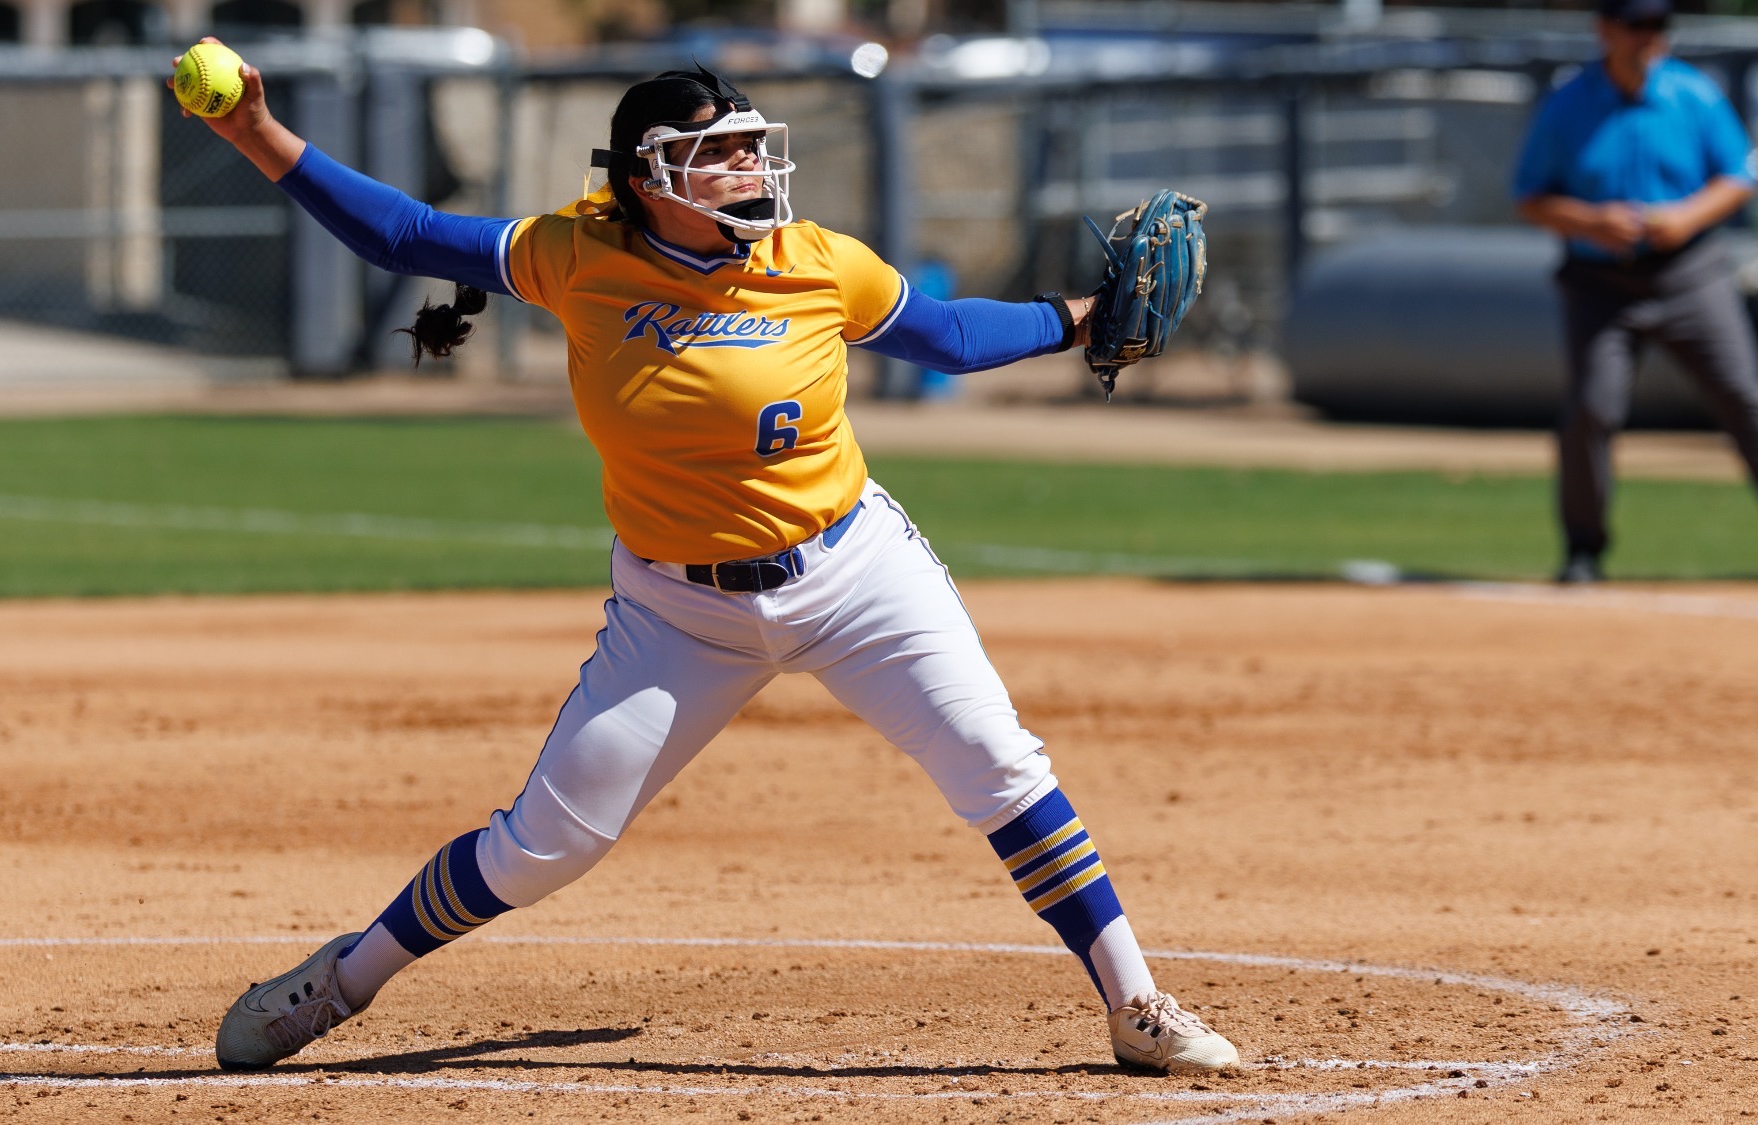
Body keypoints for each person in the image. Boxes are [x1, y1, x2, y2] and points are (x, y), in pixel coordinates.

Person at [176, 44, 1239, 1076]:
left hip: (855, 573)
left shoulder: (814, 262)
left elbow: (949, 336)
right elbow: (404, 234)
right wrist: (256, 130)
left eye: (750, 147)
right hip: (677, 612)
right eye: (718, 153)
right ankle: (340, 981)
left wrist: (1080, 319)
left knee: (1000, 766)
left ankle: (1134, 1005)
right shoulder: (575, 254)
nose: (750, 168)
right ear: (648, 175)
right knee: (545, 845)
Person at [1513, 0, 1758, 584]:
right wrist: (1590, 222)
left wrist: (1687, 216)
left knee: (1748, 399)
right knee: (1592, 411)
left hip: (1690, 273)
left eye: (1659, 26)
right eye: (1637, 26)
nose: (1650, 37)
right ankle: (1583, 551)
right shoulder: (1569, 105)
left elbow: (1741, 174)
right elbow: (1530, 196)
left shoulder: (1692, 94)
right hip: (1601, 283)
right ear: (1605, 31)